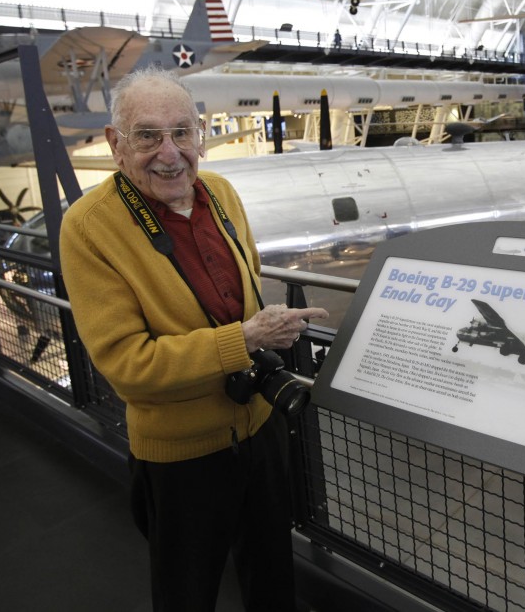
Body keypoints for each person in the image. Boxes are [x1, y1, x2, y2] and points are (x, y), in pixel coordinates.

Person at [60, 65, 327, 611]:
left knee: (273, 577)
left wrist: (262, 328)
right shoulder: (88, 226)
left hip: (259, 426)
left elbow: (246, 282)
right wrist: (245, 338)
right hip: (181, 457)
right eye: (148, 135)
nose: (170, 152)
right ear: (116, 144)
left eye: (182, 132)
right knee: (187, 592)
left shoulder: (222, 192)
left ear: (199, 135)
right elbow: (128, 365)